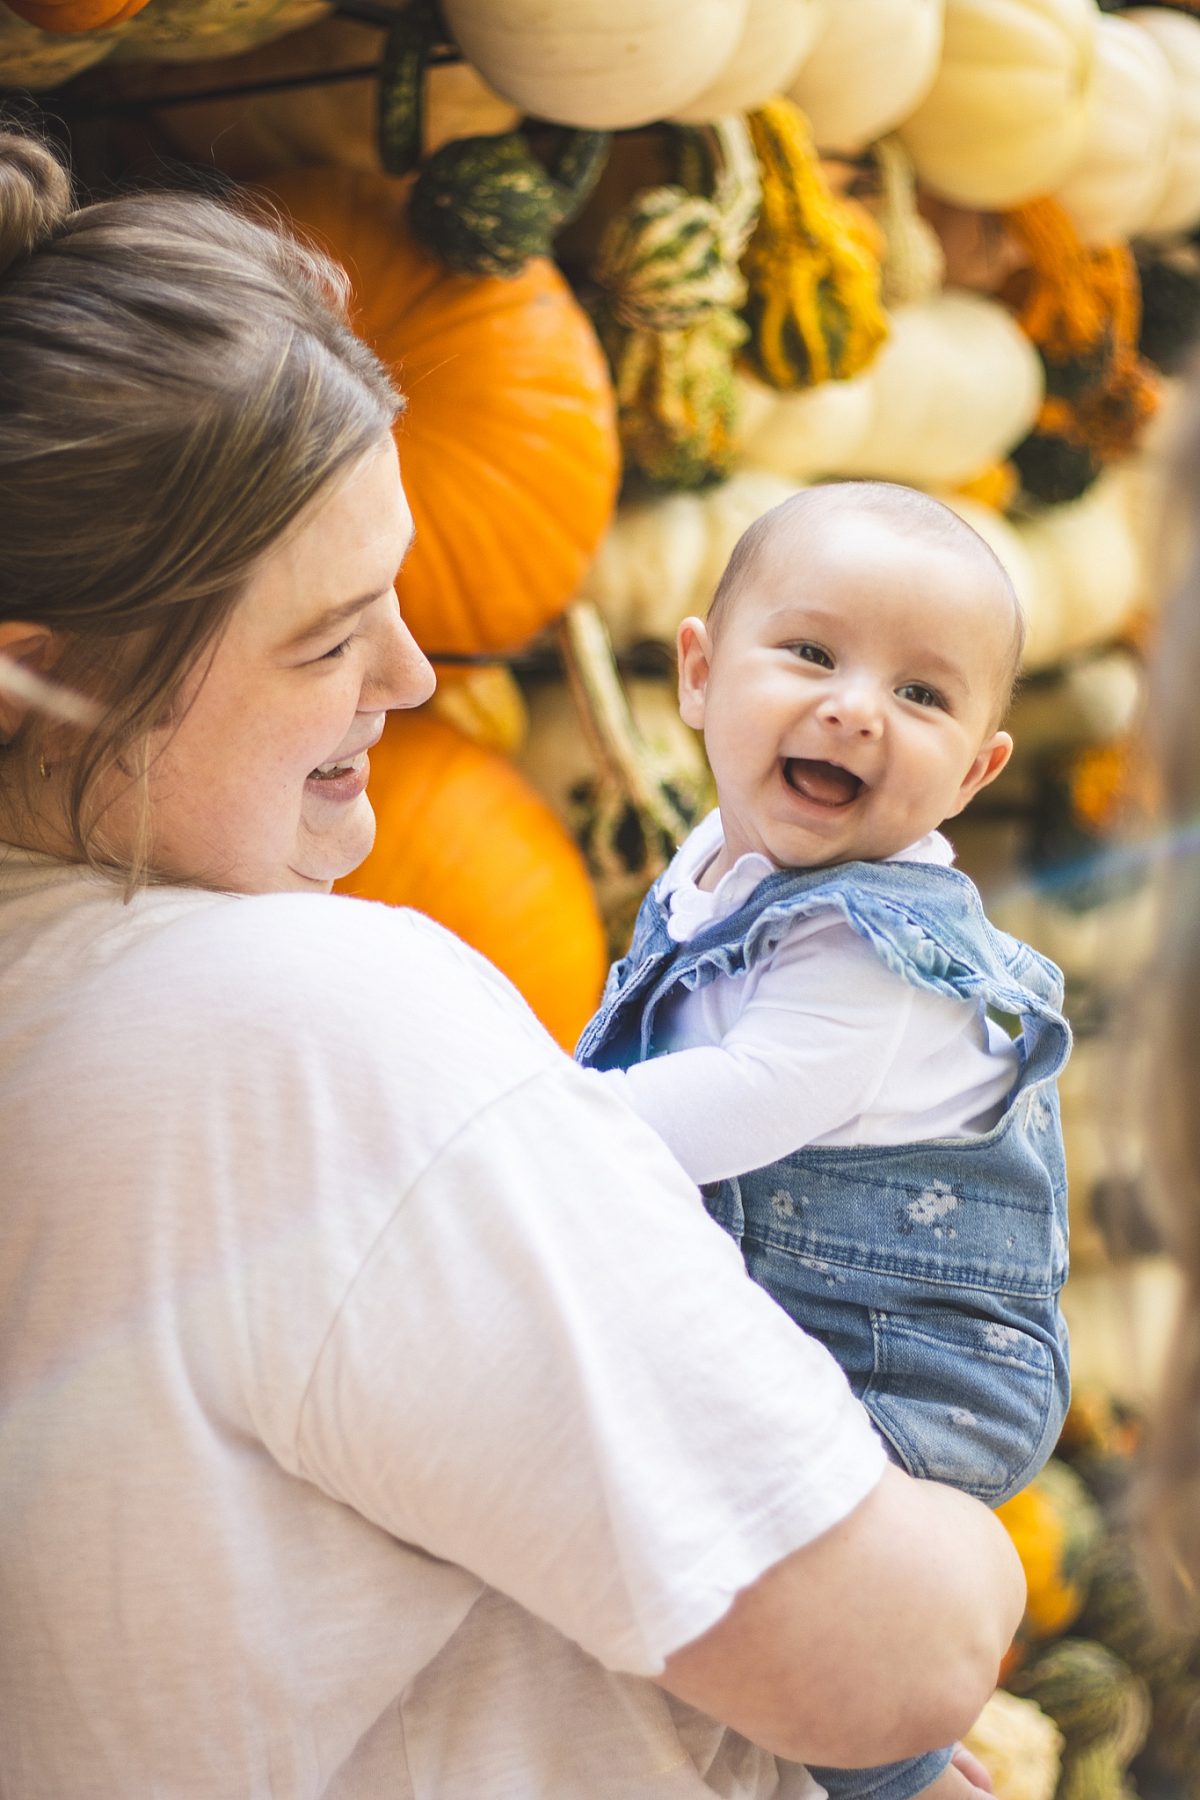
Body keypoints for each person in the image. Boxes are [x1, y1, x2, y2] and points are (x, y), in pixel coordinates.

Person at [0, 127, 1025, 1798]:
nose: (410, 675)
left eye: (396, 600)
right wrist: (971, 1551)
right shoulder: (304, 1031)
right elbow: (892, 1658)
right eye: (328, 638)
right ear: (36, 684)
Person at [577, 484, 1072, 1800]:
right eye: (810, 654)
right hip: (793, 1311)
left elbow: (738, 1100)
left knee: (802, 1610)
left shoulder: (873, 950)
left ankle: (893, 1773)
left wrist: (510, 1120)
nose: (857, 707)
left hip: (900, 1365)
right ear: (697, 675)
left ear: (974, 771)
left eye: (923, 695)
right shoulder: (722, 864)